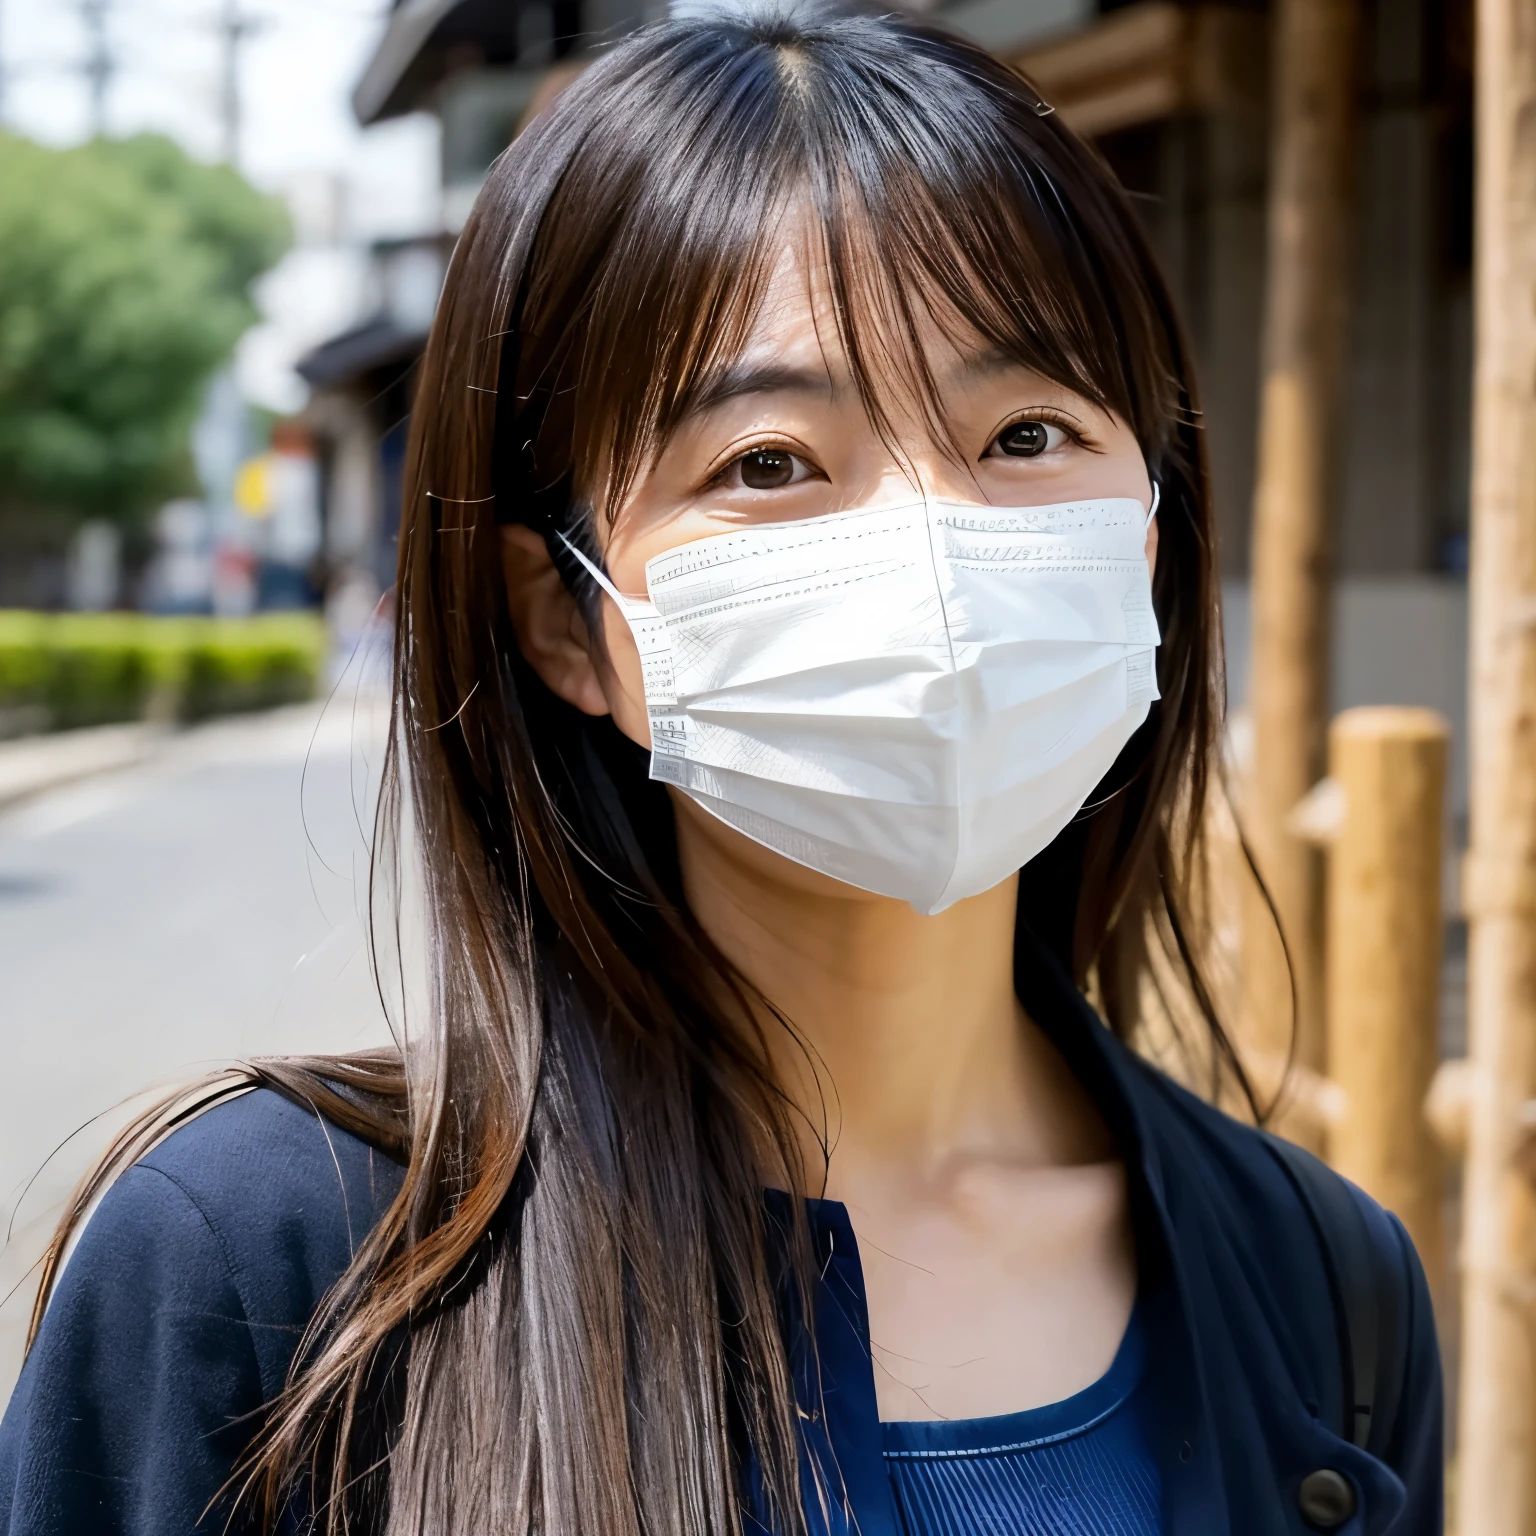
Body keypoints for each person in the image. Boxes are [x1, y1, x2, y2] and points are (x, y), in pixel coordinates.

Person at [0, 12, 1441, 1535]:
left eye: (1025, 433)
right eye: (769, 462)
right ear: (568, 620)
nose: (930, 553)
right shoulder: (267, 1282)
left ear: (1142, 549)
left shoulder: (1327, 1294)